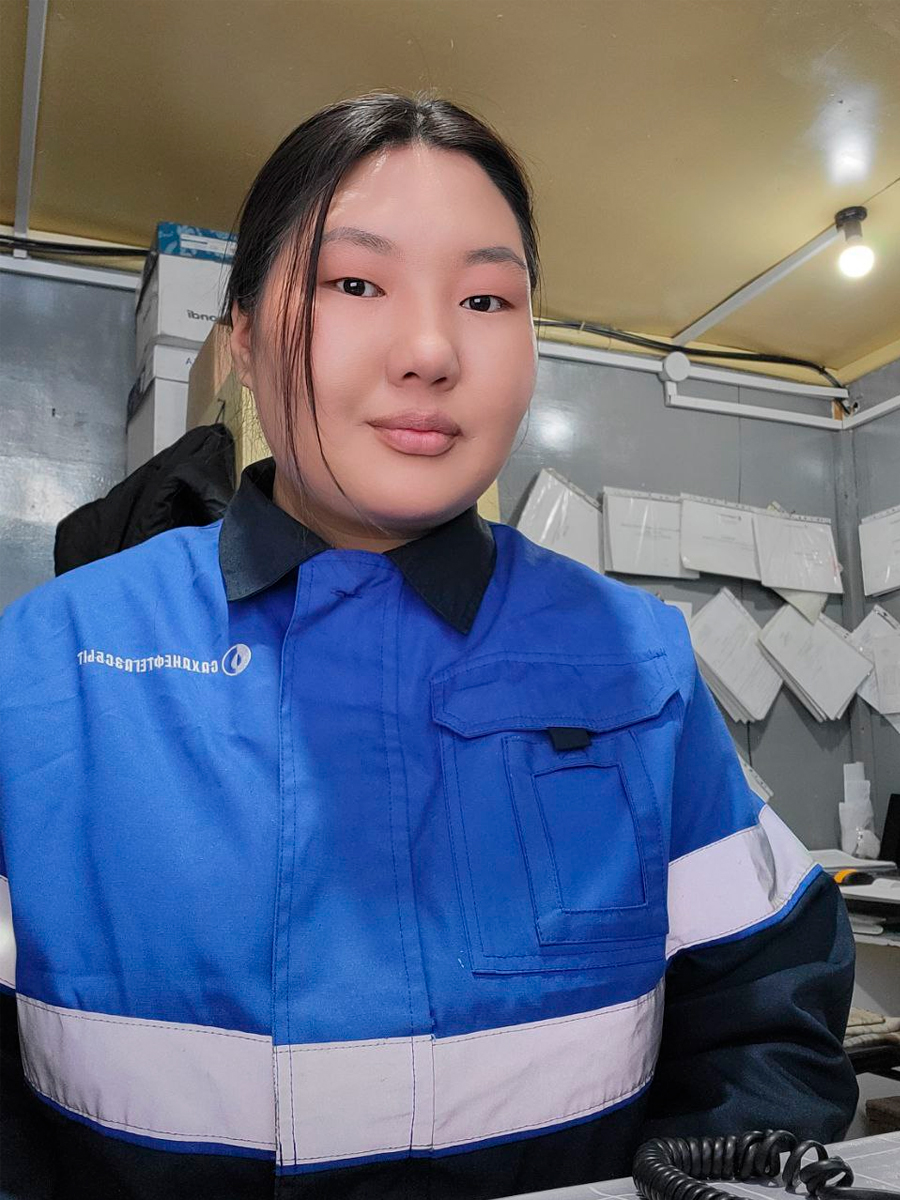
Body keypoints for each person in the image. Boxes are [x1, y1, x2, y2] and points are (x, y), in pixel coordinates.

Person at [0, 92, 857, 1200]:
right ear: (244, 337)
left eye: (486, 298)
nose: (431, 350)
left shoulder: (638, 662)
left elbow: (767, 1019)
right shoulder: (48, 666)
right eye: (355, 284)